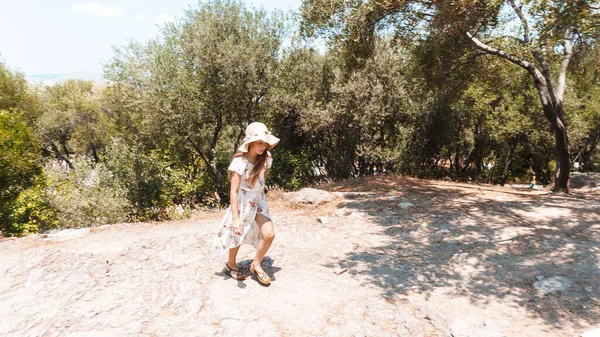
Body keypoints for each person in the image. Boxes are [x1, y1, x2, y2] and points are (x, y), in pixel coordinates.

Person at [213, 122, 280, 286]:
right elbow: (233, 190)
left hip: (258, 201)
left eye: (265, 143)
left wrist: (259, 197)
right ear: (249, 143)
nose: (263, 146)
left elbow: (262, 180)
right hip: (242, 202)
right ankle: (231, 265)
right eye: (259, 142)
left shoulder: (266, 159)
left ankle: (256, 264)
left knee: (269, 234)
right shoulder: (239, 162)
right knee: (237, 234)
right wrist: (235, 218)